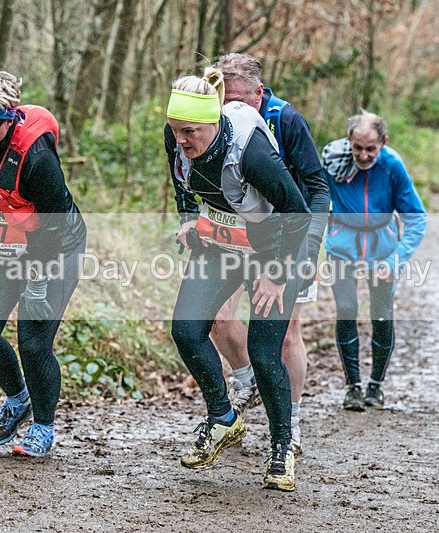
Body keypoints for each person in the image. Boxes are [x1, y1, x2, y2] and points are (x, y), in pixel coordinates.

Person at [164, 68, 310, 491]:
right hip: (225, 243)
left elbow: (297, 213)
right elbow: (180, 185)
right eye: (176, 132)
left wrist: (276, 275)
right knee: (186, 329)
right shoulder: (177, 137)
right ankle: (223, 418)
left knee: (266, 354)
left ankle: (282, 448)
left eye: (190, 132)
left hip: (277, 246)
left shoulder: (251, 154)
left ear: (214, 122)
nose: (181, 140)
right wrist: (190, 220)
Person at [0, 65, 87, 457]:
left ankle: (43, 428)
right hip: (0, 246)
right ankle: (18, 398)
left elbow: (55, 226)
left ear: (7, 120)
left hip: (55, 249)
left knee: (32, 343)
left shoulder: (37, 159)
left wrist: (36, 282)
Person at [210, 53, 330, 454]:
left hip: (290, 236)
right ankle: (247, 382)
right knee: (220, 319)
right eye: (225, 101)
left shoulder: (286, 120)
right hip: (238, 236)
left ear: (260, 94)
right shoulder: (214, 120)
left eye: (242, 100)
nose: (234, 109)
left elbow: (317, 187)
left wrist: (308, 247)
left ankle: (291, 422)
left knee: (284, 337)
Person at [321, 112, 427, 411]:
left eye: (371, 149)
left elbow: (416, 218)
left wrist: (396, 260)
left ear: (384, 142)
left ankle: (375, 386)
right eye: (357, 148)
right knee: (346, 309)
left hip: (383, 249)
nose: (364, 156)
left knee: (381, 314)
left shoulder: (392, 166)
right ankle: (353, 386)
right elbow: (312, 200)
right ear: (348, 141)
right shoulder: (333, 161)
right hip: (342, 246)